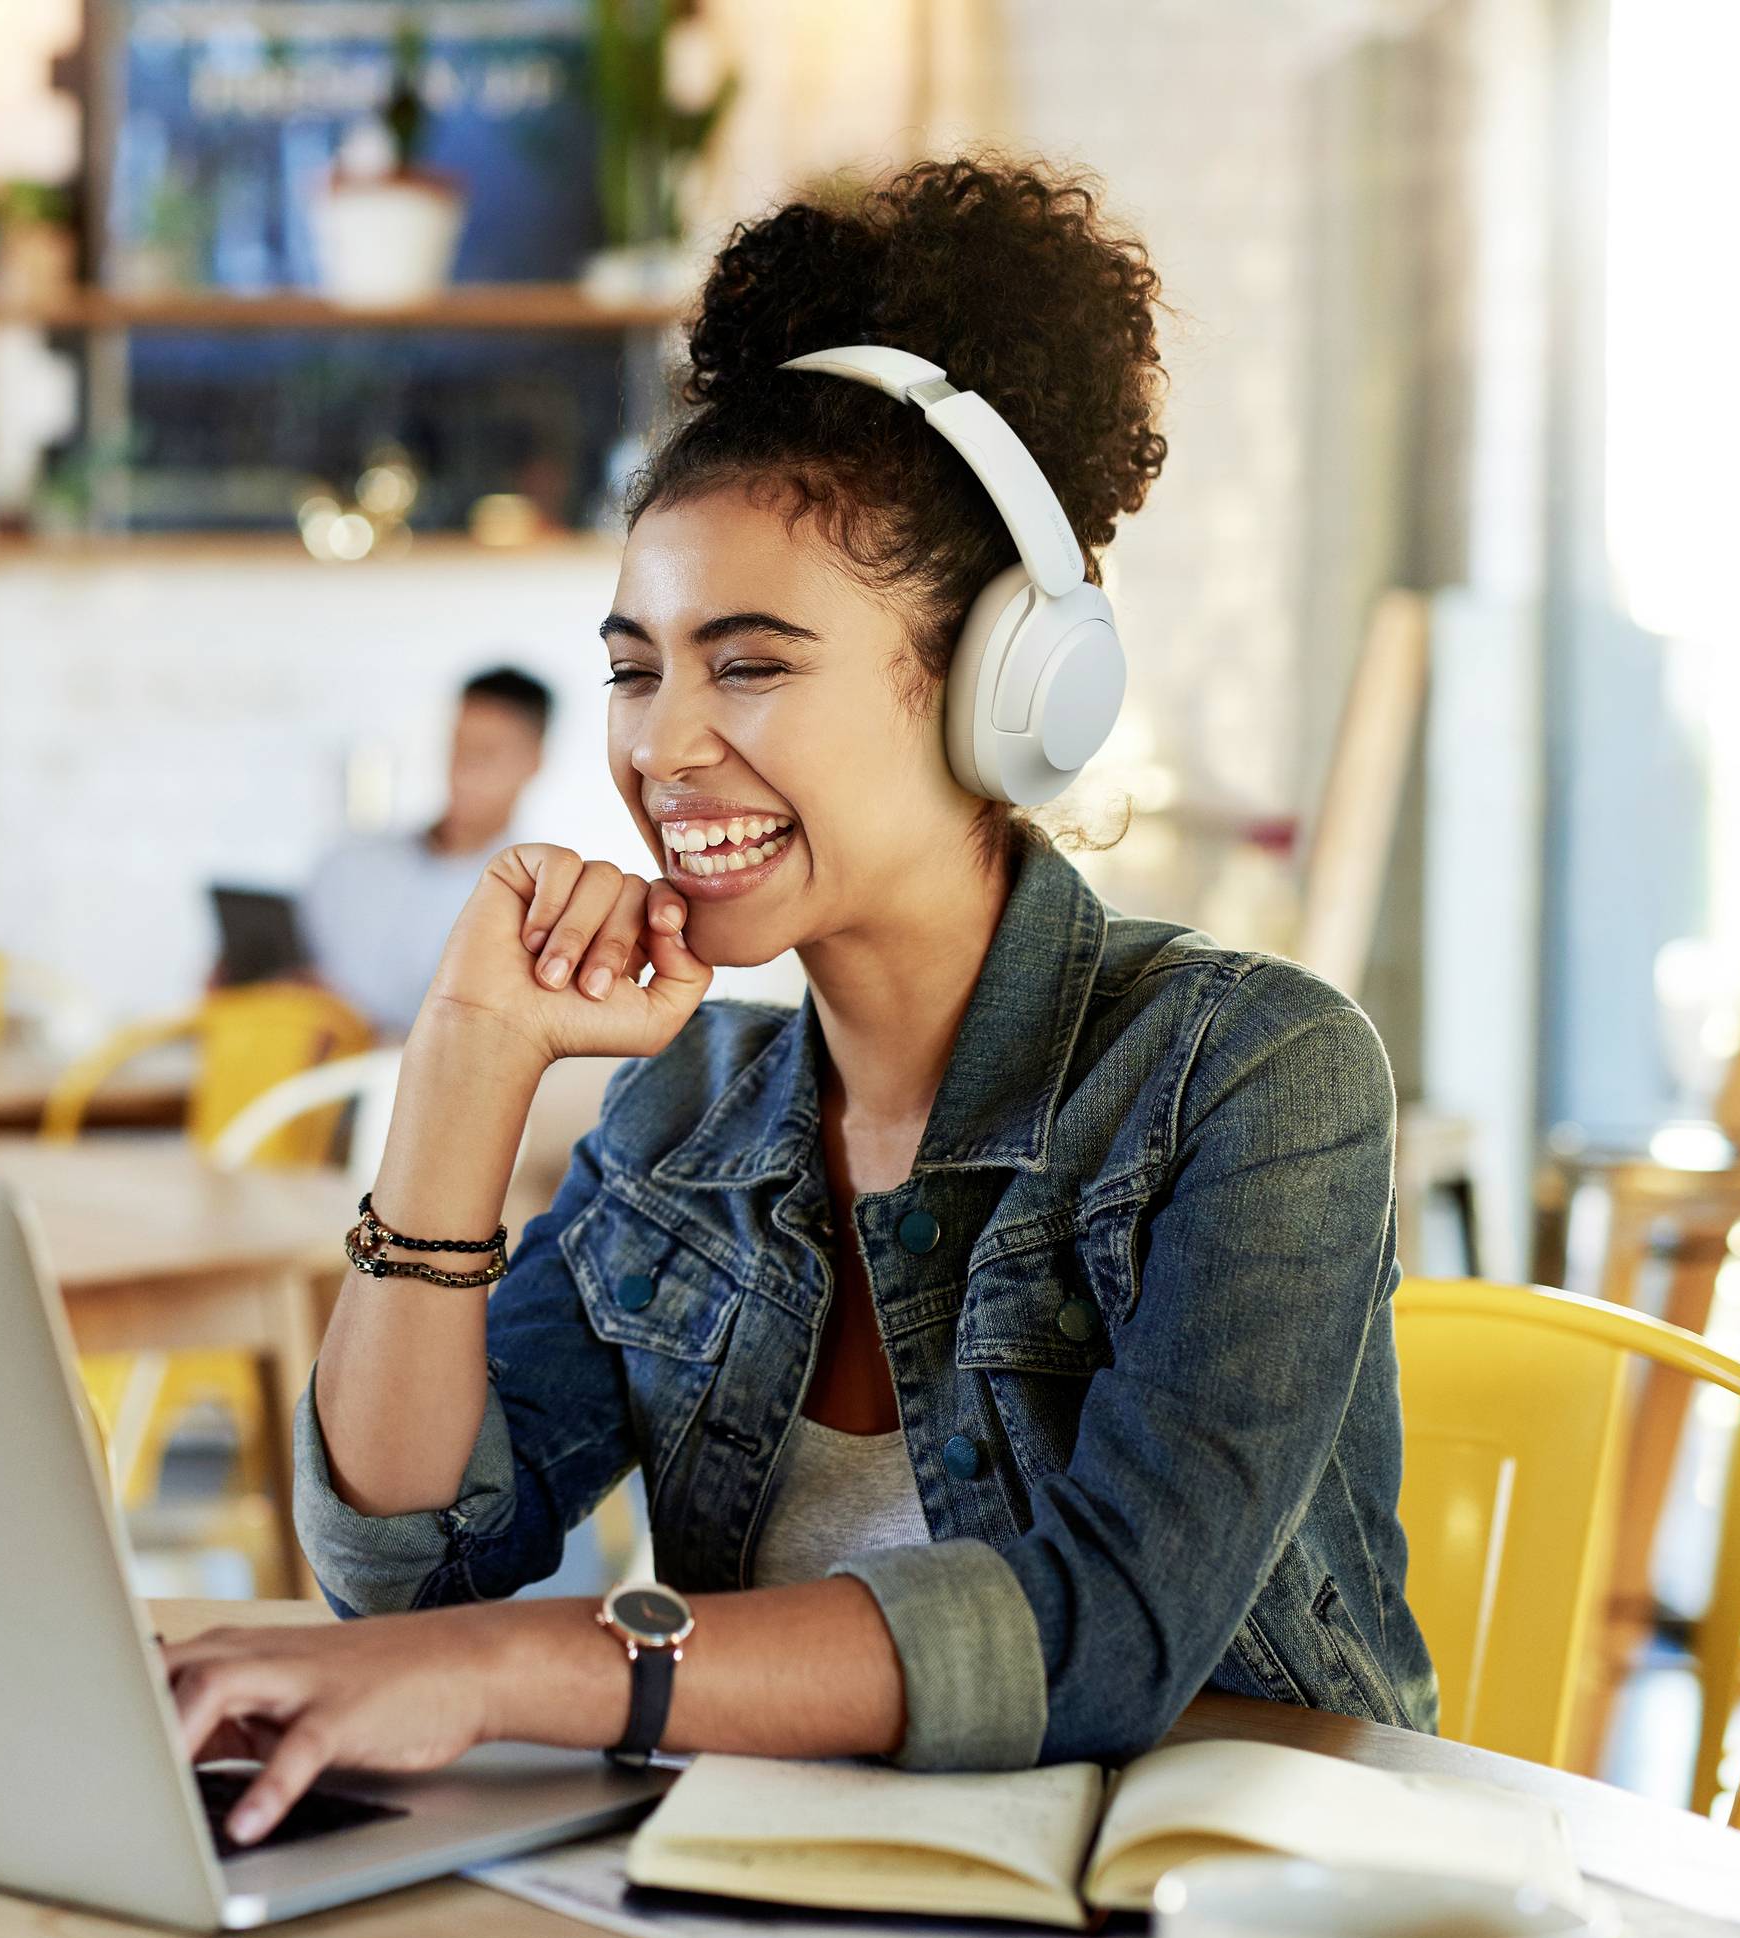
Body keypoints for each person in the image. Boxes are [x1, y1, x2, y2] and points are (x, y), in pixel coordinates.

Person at [165, 158, 1434, 1848]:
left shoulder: (1249, 1077)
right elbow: (406, 1562)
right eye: (636, 667)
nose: (661, 745)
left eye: (749, 660)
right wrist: (465, 1065)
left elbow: (1107, 1630)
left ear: (1002, 687)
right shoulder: (691, 1117)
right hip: (798, 1911)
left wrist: (530, 1665)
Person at [297, 668, 554, 1036]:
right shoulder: (346, 861)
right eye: (457, 747)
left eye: (486, 754)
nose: (463, 769)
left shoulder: (533, 903)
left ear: (534, 762)